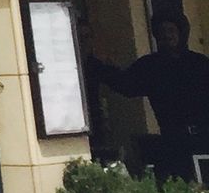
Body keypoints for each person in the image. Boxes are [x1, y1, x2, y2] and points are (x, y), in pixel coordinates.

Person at [87, 13, 209, 182]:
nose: (167, 35)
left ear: (182, 33)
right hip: (174, 141)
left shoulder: (199, 64)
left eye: (171, 30)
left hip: (204, 138)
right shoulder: (151, 66)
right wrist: (97, 66)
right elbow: (126, 85)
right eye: (162, 31)